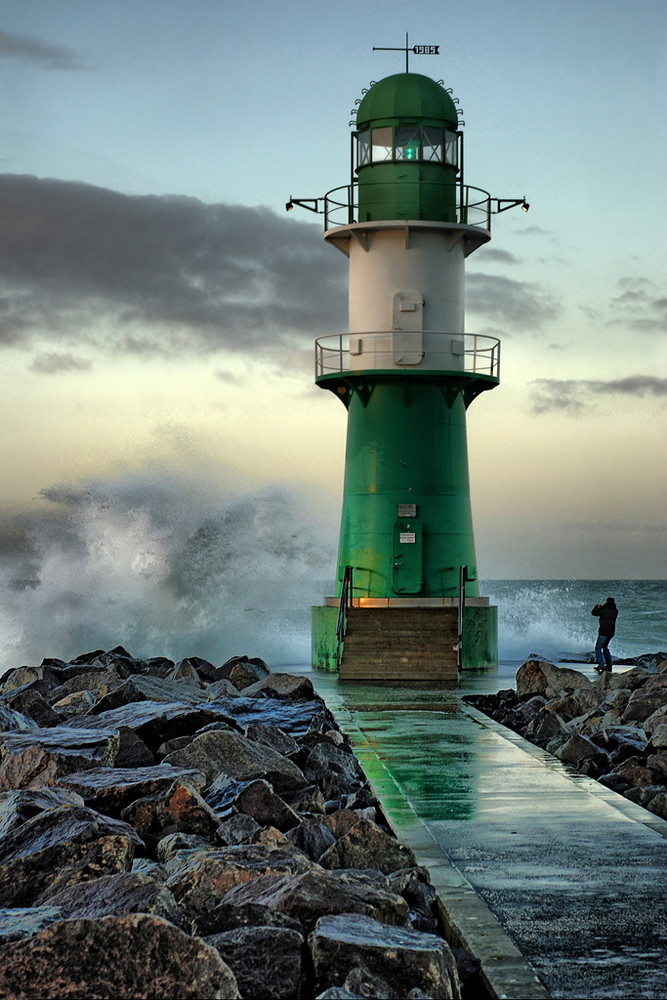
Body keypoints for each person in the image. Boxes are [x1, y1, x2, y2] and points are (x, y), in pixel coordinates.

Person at [591, 596, 618, 673]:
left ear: (607, 601)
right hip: (611, 632)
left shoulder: (604, 609)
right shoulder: (615, 610)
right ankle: (609, 665)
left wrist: (597, 606)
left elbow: (594, 613)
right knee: (605, 647)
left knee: (598, 648)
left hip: (603, 631)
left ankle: (601, 665)